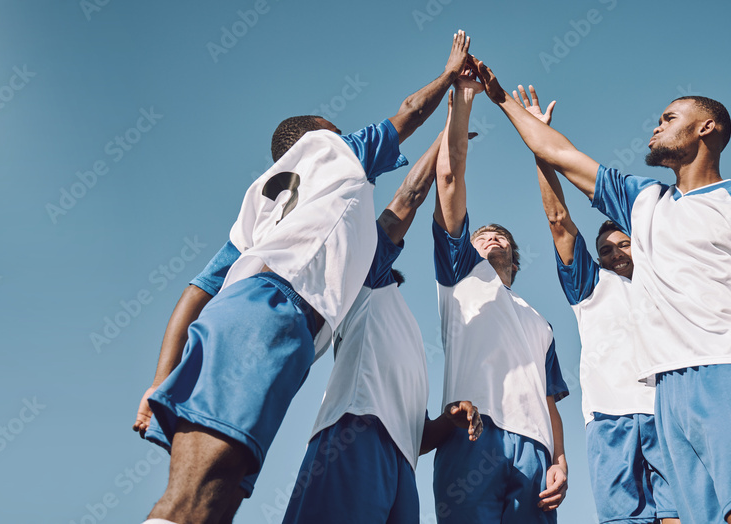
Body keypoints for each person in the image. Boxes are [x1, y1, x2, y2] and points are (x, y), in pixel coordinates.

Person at [132, 30, 478, 524]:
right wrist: (450, 77)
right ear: (319, 133)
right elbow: (408, 127)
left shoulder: (267, 204)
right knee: (196, 496)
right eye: (340, 127)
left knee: (219, 494)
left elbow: (198, 291)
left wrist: (159, 378)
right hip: (269, 314)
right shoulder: (333, 151)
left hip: (263, 318)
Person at [477, 61, 731, 523]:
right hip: (666, 394)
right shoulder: (642, 200)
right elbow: (555, 151)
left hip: (728, 371)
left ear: (707, 127)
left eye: (668, 118)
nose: (655, 126)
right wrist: (499, 97)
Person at [282, 123, 483, 524]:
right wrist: (446, 139)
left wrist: (450, 420)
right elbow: (408, 197)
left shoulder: (403, 321)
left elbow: (418, 433)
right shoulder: (363, 275)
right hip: (354, 431)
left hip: (401, 461)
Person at [513, 87, 680, 523]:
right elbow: (558, 222)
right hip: (610, 418)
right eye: (604, 250)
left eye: (621, 244)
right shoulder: (591, 286)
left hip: (670, 411)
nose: (612, 255)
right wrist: (539, 143)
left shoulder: (666, 280)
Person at [430, 65, 569, 524]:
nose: (489, 236)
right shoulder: (461, 276)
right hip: (473, 431)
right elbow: (449, 183)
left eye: (499, 235)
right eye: (481, 233)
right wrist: (464, 100)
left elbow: (550, 400)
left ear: (513, 255)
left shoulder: (540, 322)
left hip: (534, 448)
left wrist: (560, 458)